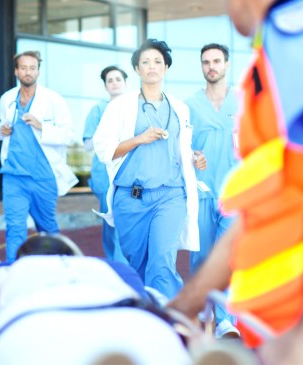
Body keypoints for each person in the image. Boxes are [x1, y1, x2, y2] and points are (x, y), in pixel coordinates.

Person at [168, 1, 303, 364]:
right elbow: (266, 206)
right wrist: (187, 303)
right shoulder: (284, 52)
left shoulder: (297, 20)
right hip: (300, 327)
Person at [0, 234, 191, 365]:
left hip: (33, 325)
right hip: (131, 320)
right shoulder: (108, 269)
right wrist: (189, 336)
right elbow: (150, 304)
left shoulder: (5, 273)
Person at [92, 39, 204, 300]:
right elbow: (103, 148)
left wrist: (194, 157)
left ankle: (171, 324)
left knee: (162, 264)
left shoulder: (180, 108)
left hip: (170, 195)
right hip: (131, 198)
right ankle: (142, 320)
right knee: (137, 268)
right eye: (145, 62)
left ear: (165, 68)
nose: (151, 66)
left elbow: (180, 148)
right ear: (137, 69)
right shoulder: (119, 106)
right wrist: (138, 139)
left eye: (157, 61)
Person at [0, 50, 78, 262]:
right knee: (15, 228)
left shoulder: (53, 99)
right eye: (23, 68)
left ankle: (59, 268)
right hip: (13, 175)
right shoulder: (7, 99)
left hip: (43, 176)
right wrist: (0, 130)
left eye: (32, 68)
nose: (28, 72)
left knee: (47, 229)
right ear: (16, 71)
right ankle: (14, 273)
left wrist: (42, 127)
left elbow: (69, 136)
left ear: (38, 71)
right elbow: (0, 129)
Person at [185, 43, 240, 338]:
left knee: (227, 256)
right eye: (206, 62)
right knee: (202, 257)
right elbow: (182, 146)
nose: (211, 66)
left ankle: (225, 320)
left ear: (227, 64)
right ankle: (202, 308)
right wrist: (192, 155)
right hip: (203, 191)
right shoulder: (190, 105)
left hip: (234, 192)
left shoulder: (244, 101)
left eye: (216, 61)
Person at [82, 65, 128, 262]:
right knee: (111, 222)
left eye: (118, 79)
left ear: (125, 83)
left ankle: (123, 264)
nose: (114, 83)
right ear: (105, 86)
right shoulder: (98, 110)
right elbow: (87, 145)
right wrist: (105, 132)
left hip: (128, 173)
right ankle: (115, 262)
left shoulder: (134, 107)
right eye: (110, 80)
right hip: (104, 175)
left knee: (124, 220)